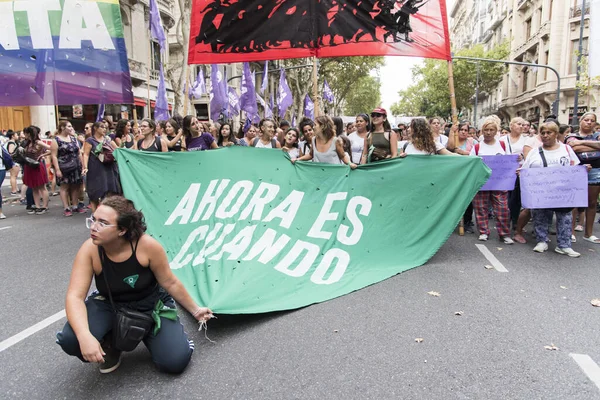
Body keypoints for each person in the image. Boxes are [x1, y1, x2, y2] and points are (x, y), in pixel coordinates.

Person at [56, 196, 213, 374]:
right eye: (93, 219)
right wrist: (84, 335)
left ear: (122, 230)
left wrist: (195, 310)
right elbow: (74, 296)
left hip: (151, 305)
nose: (93, 227)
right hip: (110, 304)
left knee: (174, 362)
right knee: (71, 339)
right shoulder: (90, 249)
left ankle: (148, 332)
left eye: (102, 223)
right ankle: (110, 345)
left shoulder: (147, 246)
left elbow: (169, 281)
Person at [521, 122, 583, 257]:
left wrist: (584, 170)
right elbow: (526, 169)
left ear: (556, 134)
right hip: (541, 191)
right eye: (542, 133)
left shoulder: (566, 149)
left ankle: (564, 245)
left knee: (564, 217)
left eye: (549, 133)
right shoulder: (534, 152)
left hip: (562, 191)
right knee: (540, 215)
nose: (545, 136)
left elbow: (575, 167)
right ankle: (541, 241)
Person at [469, 118, 513, 244]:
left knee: (502, 208)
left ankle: (504, 234)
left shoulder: (503, 145)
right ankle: (483, 232)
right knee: (480, 207)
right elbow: (471, 163)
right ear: (482, 131)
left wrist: (517, 159)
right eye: (486, 130)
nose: (488, 132)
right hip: (482, 182)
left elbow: (509, 161)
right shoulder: (477, 147)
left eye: (491, 130)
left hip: (499, 182)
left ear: (496, 131)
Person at [566, 112, 600, 244]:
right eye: (586, 120)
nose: (589, 122)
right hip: (577, 169)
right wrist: (594, 145)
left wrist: (582, 143)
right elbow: (571, 147)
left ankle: (589, 233)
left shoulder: (596, 135)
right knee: (574, 202)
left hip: (596, 170)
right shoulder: (572, 136)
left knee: (591, 203)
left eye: (592, 120)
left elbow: (577, 146)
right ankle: (571, 232)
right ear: (581, 121)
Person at [83, 122, 121, 212]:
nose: (105, 129)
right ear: (95, 128)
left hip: (109, 167)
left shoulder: (108, 139)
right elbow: (86, 154)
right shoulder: (90, 140)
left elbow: (118, 150)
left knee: (110, 190)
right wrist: (85, 167)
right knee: (95, 191)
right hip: (95, 168)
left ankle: (107, 212)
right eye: (102, 127)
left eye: (106, 128)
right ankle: (95, 214)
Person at [501, 117, 528, 242]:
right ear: (511, 125)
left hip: (519, 172)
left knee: (516, 199)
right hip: (504, 172)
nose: (521, 126)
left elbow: (530, 155)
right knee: (504, 199)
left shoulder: (527, 141)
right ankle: (505, 221)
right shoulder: (502, 140)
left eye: (523, 124)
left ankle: (516, 222)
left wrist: (523, 156)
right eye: (518, 124)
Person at [291, 115, 356, 168]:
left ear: (322, 126)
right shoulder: (314, 140)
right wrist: (298, 159)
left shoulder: (336, 141)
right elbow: (311, 155)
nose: (313, 127)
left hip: (334, 176)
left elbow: (343, 156)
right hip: (319, 175)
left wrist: (350, 163)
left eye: (315, 125)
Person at [51, 121, 85, 217]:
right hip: (64, 167)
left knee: (75, 186)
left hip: (75, 166)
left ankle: (75, 205)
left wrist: (83, 166)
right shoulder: (56, 140)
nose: (71, 128)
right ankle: (66, 207)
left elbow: (79, 153)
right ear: (62, 127)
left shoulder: (73, 139)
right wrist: (57, 169)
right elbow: (54, 156)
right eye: (69, 126)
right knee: (64, 187)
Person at [22, 126, 51, 214]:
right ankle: (38, 206)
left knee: (41, 186)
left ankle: (45, 206)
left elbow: (52, 148)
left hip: (37, 165)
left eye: (26, 133)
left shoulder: (38, 142)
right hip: (29, 166)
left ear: (29, 134)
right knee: (34, 187)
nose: (24, 135)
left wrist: (43, 155)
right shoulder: (27, 143)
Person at [4, 130, 20, 195]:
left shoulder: (10, 142)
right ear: (12, 136)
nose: (17, 136)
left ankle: (15, 188)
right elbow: (11, 152)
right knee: (13, 176)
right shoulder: (12, 143)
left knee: (13, 176)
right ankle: (14, 190)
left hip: (13, 161)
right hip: (14, 161)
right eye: (16, 135)